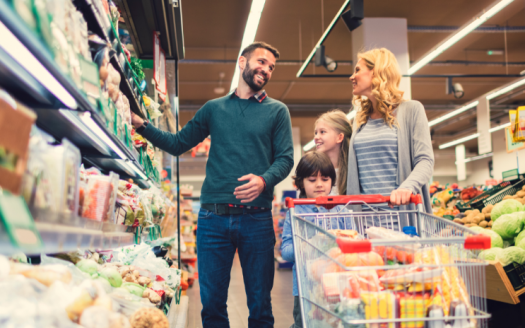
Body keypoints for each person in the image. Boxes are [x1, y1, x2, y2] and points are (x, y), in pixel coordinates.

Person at [131, 41, 294, 328]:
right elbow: (178, 143)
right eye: (261, 62)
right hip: (212, 219)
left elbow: (285, 159)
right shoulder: (214, 109)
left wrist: (264, 180)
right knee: (213, 305)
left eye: (271, 67)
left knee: (260, 303)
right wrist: (142, 125)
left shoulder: (277, 111)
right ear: (242, 62)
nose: (266, 69)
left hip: (256, 219)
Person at [347, 48, 434, 219]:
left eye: (357, 70)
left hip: (402, 219)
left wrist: (407, 187)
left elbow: (425, 161)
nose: (352, 77)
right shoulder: (360, 120)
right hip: (365, 222)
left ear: (377, 71)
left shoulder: (412, 110)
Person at [280, 151, 352, 328]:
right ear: (301, 183)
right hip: (305, 288)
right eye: (312, 180)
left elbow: (352, 244)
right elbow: (286, 251)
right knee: (304, 323)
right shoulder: (295, 212)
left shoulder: (341, 209)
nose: (319, 185)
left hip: (339, 285)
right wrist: (309, 243)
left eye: (325, 179)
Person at [314, 110, 352, 195]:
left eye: (322, 132)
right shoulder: (314, 171)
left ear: (339, 137)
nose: (316, 137)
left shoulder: (352, 172)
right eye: (316, 133)